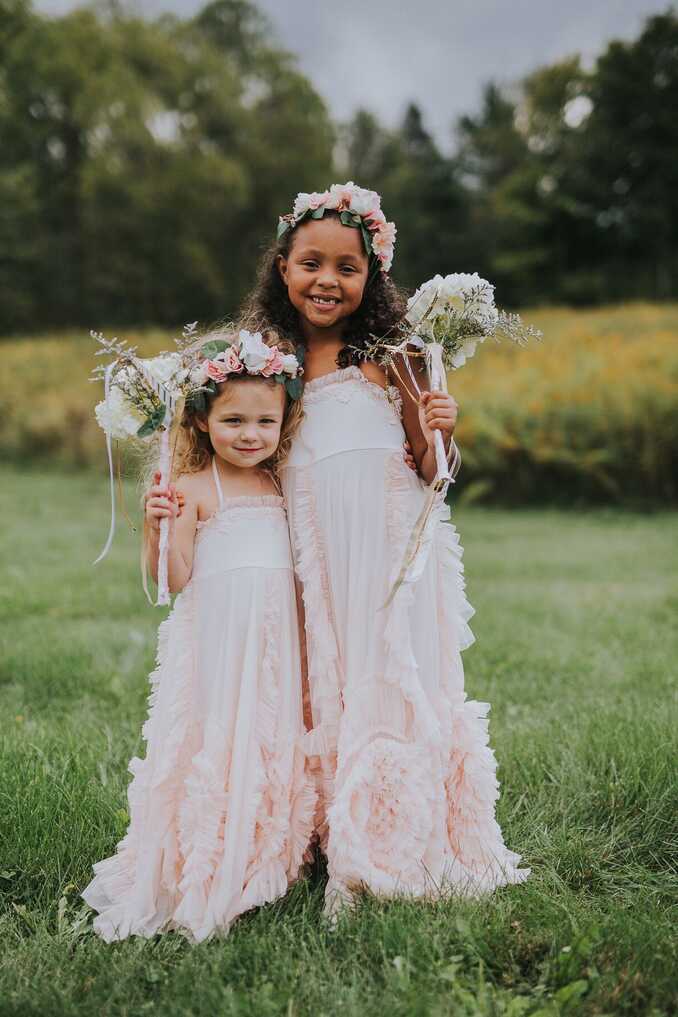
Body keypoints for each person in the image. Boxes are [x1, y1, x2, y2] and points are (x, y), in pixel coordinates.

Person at [242, 182, 530, 914]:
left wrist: (442, 424)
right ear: (283, 268)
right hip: (316, 558)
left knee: (390, 679)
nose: (327, 280)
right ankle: (331, 839)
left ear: (372, 278)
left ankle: (397, 843)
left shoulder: (394, 354)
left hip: (389, 554)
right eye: (312, 263)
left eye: (347, 266)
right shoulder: (270, 366)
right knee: (326, 683)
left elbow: (438, 471)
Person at [81, 331, 316, 942]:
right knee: (220, 738)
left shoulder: (280, 485)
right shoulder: (189, 489)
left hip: (274, 647)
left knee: (270, 736)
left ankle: (270, 858)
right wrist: (158, 528)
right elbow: (175, 579)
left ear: (283, 422)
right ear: (202, 420)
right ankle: (211, 856)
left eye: (266, 420)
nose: (250, 433)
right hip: (219, 644)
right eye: (233, 419)